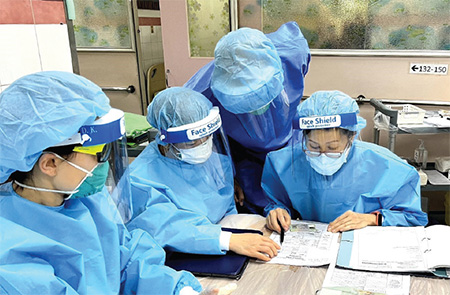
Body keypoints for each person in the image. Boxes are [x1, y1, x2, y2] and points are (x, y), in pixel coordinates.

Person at [0, 71, 206, 295]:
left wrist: (181, 290)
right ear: (50, 163)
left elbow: (127, 261)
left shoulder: (88, 199)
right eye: (100, 152)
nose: (105, 165)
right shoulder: (10, 249)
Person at [126, 87, 280, 261]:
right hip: (177, 256)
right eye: (192, 143)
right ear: (165, 141)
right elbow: (165, 227)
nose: (203, 147)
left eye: (207, 138)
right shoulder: (139, 180)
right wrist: (226, 240)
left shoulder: (210, 160)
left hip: (223, 238)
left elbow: (225, 206)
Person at [184, 21, 311, 215]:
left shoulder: (292, 53)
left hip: (290, 141)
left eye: (264, 96)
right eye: (246, 104)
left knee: (297, 196)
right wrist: (226, 176)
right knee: (254, 207)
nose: (258, 109)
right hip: (244, 156)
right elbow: (201, 142)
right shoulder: (200, 95)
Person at [263, 90, 429, 234]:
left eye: (333, 147)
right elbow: (277, 202)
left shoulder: (386, 166)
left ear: (352, 137)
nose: (322, 155)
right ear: (303, 137)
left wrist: (371, 219)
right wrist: (277, 212)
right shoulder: (282, 163)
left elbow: (412, 217)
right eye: (313, 146)